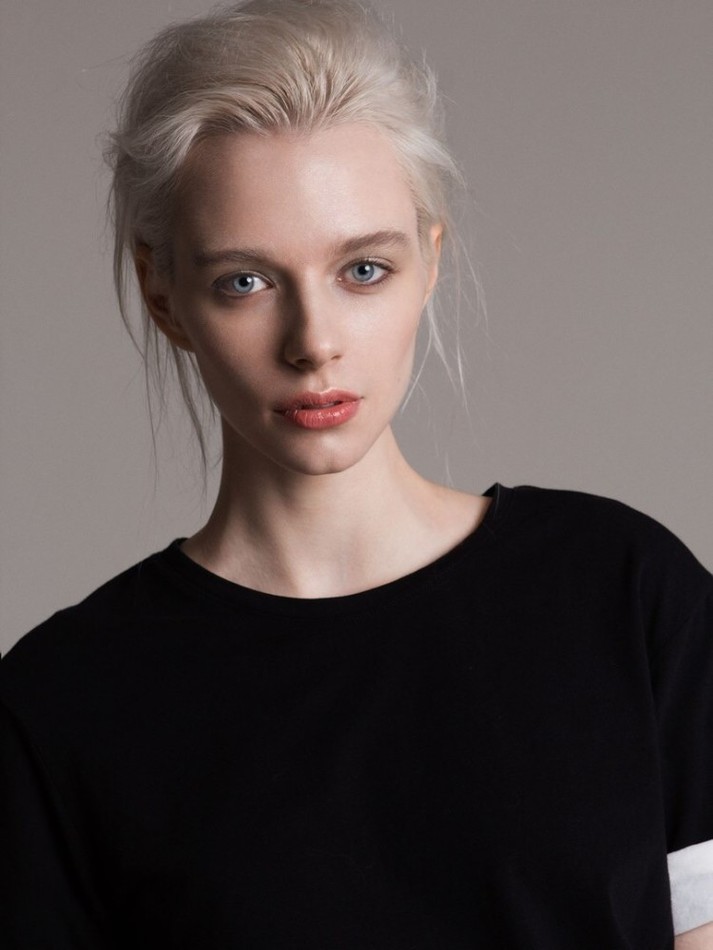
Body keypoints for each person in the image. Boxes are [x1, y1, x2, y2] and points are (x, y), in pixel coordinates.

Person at [1, 1, 711, 947]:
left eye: (362, 270)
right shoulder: (62, 704)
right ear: (162, 294)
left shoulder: (621, 591)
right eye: (245, 281)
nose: (314, 342)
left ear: (429, 261)